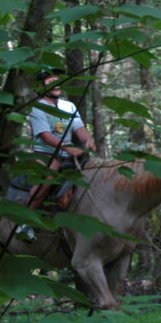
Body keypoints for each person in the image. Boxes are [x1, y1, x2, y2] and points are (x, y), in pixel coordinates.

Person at [24, 68, 96, 215]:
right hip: (45, 154)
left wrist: (88, 140)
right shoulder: (37, 107)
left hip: (68, 155)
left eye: (58, 81)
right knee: (47, 178)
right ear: (41, 87)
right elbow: (45, 135)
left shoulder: (68, 106)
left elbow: (79, 127)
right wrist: (68, 148)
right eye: (51, 82)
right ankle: (25, 219)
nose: (56, 85)